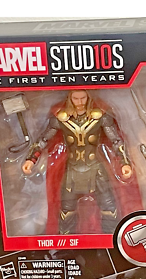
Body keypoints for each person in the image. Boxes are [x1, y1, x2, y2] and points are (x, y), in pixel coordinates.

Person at [22, 89, 133, 234]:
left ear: (88, 97)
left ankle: (110, 238)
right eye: (76, 98)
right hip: (72, 169)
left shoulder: (100, 117)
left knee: (109, 208)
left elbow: (116, 141)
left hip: (96, 167)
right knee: (67, 210)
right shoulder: (61, 118)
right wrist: (31, 159)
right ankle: (67, 242)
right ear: (70, 98)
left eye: (83, 98)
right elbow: (43, 140)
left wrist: (124, 163)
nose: (80, 102)